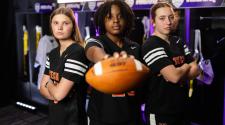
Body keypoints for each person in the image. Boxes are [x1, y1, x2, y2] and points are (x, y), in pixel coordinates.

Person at [85, 1, 144, 125]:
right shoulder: (96, 41)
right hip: (101, 117)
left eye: (120, 16)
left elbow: (142, 81)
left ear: (126, 19)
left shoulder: (135, 47)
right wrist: (107, 60)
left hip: (131, 116)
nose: (115, 20)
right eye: (109, 17)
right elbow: (93, 51)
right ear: (102, 20)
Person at [141, 2, 200, 125]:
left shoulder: (177, 41)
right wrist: (185, 66)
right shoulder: (151, 45)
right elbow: (173, 77)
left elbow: (197, 69)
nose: (168, 22)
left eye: (171, 17)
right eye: (162, 18)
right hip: (161, 113)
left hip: (182, 110)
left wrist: (179, 72)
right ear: (153, 21)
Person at [39, 6, 89, 125]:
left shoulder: (77, 52)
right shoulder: (53, 53)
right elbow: (41, 89)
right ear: (51, 26)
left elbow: (59, 94)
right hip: (55, 117)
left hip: (73, 119)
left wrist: (49, 84)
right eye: (56, 23)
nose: (59, 27)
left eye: (65, 23)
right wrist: (55, 93)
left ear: (73, 27)